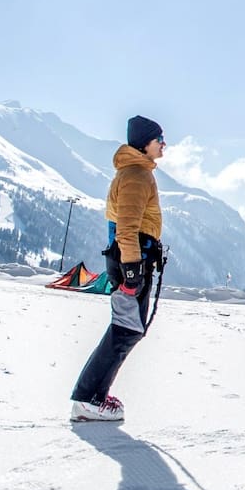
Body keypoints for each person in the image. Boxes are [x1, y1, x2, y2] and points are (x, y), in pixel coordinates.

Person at [70, 115, 167, 422]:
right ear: (145, 144)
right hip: (130, 260)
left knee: (128, 328)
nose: (164, 145)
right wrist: (132, 269)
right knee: (125, 329)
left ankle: (93, 395)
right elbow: (126, 227)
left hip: (130, 258)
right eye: (159, 140)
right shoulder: (137, 175)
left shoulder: (136, 172)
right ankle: (87, 398)